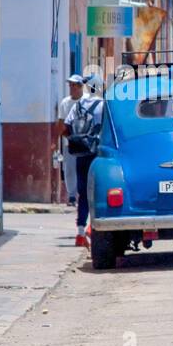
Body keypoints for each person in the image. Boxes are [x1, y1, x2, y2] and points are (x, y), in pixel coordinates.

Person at [61, 81, 105, 248]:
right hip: (99, 154)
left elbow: (66, 127)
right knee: (98, 191)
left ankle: (80, 233)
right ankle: (91, 227)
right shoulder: (104, 105)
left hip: (82, 154)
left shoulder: (78, 105)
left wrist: (76, 140)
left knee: (83, 192)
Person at [56, 74, 85, 205]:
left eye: (74, 85)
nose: (72, 88)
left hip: (86, 141)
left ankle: (84, 194)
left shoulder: (87, 101)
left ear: (80, 86)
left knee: (84, 168)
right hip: (70, 141)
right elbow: (61, 121)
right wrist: (64, 135)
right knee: (69, 169)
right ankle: (72, 196)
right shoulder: (65, 103)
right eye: (70, 85)